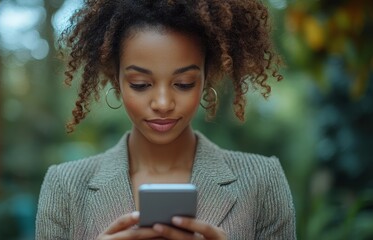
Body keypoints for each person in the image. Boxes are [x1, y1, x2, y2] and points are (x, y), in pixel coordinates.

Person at [35, 0, 296, 239]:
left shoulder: (262, 182)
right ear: (116, 80)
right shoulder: (65, 187)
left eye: (183, 84)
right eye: (141, 84)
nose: (162, 103)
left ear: (207, 78)